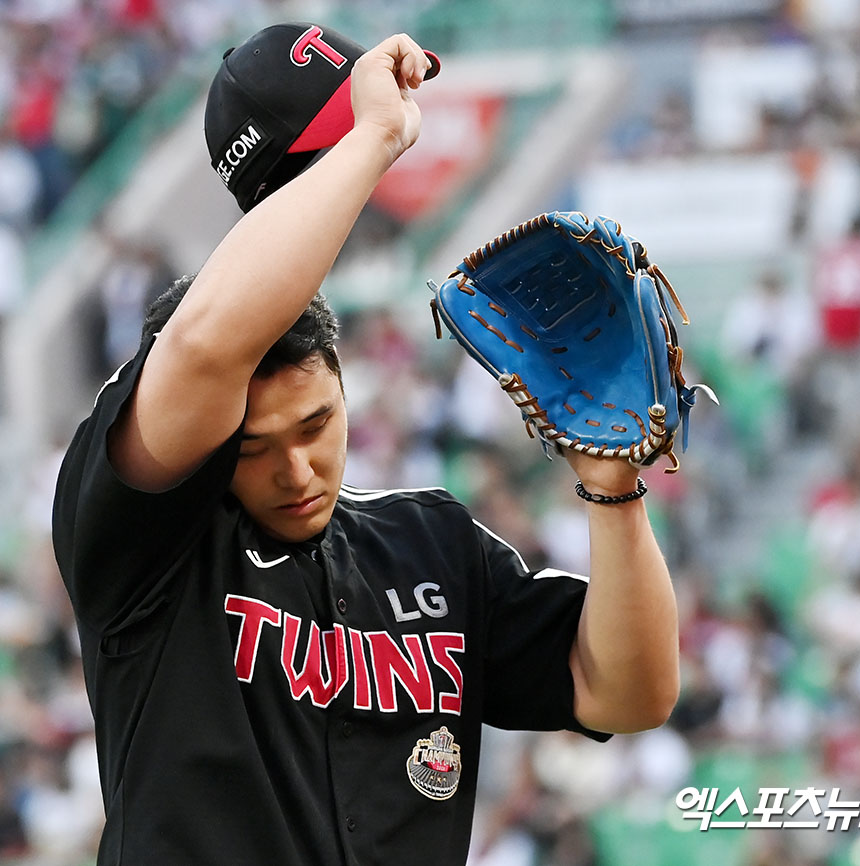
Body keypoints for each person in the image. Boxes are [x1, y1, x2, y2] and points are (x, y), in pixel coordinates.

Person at [52, 23, 679, 866]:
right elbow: (205, 347)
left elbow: (628, 694)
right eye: (252, 447)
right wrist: (378, 136)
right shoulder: (143, 548)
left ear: (347, 391)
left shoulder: (431, 544)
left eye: (316, 425)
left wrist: (613, 491)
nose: (296, 467)